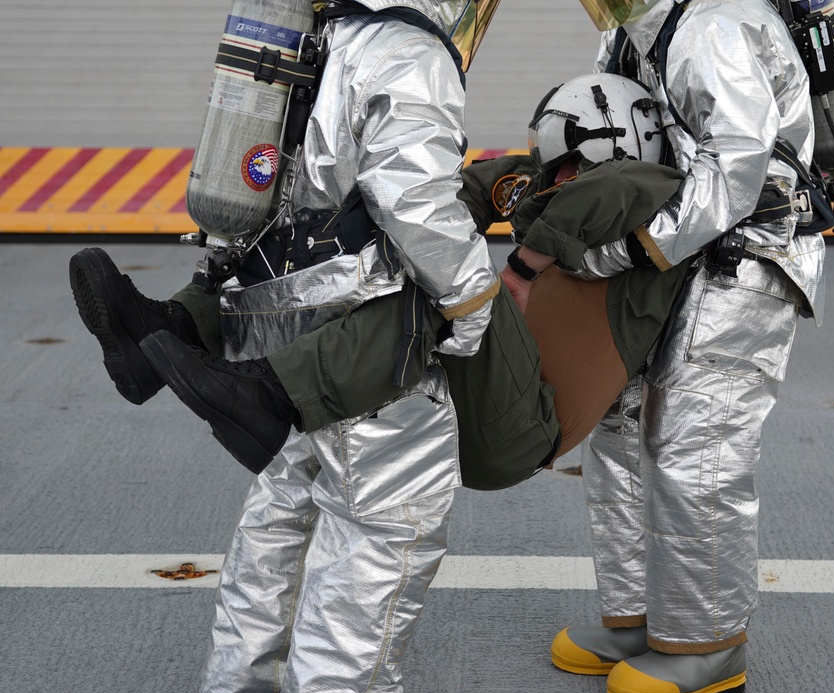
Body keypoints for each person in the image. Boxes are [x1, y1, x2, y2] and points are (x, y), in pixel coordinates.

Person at [71, 0, 506, 693]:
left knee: (286, 494)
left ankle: (243, 677)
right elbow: (415, 196)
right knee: (388, 516)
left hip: (274, 302)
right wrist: (471, 300)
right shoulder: (408, 51)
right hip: (362, 322)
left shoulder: (318, 32)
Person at [547, 0, 825, 693]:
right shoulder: (637, 22)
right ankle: (635, 616)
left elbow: (737, 170)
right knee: (621, 423)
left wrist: (630, 249)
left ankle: (706, 642)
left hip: (749, 252)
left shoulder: (713, 22)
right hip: (682, 249)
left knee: (696, 440)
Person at [140, 76, 693, 482]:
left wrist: (522, 271)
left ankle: (272, 395)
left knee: (451, 275)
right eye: (554, 166)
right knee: (407, 230)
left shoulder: (656, 191)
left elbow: (604, 190)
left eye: (571, 164)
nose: (559, 176)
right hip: (484, 394)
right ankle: (190, 321)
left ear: (626, 142)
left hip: (523, 426)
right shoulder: (559, 187)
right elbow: (470, 190)